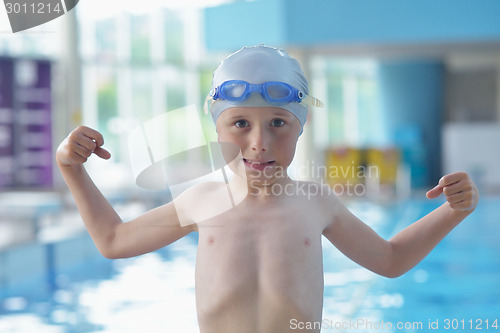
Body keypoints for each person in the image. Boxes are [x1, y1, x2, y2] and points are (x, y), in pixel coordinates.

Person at [56, 45, 479, 333]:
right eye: (240, 123)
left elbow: (390, 260)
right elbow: (113, 241)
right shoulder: (200, 200)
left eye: (278, 123)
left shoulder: (315, 202)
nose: (259, 142)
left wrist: (452, 211)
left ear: (300, 128)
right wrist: (71, 169)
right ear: (217, 127)